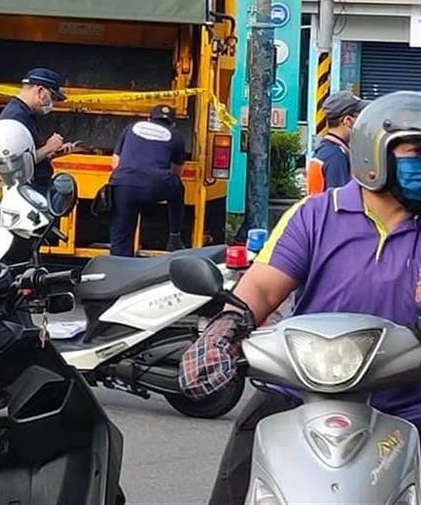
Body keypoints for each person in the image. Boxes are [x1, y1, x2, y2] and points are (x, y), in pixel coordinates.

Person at [191, 91, 421, 504]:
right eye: (415, 151)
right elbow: (261, 288)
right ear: (374, 155)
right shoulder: (315, 215)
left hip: (410, 405)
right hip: (301, 393)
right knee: (237, 478)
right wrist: (223, 332)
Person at [109, 104, 187, 256]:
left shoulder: (131, 127)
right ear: (173, 122)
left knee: (121, 238)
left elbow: (115, 163)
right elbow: (177, 173)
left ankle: (119, 270)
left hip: (124, 185)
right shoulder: (175, 135)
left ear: (149, 118)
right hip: (155, 186)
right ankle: (174, 236)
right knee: (178, 188)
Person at [0, 67, 78, 194]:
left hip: (30, 190)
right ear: (40, 91)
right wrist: (48, 147)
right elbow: (14, 165)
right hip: (28, 192)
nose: (53, 104)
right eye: (53, 98)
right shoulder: (16, 117)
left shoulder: (23, 114)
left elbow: (28, 155)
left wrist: (51, 153)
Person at [306, 90, 367, 193]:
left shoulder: (327, 150)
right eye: (360, 117)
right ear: (348, 121)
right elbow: (339, 203)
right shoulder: (336, 156)